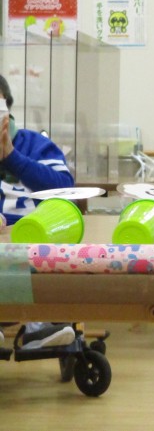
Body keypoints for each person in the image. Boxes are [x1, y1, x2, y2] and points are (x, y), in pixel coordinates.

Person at [0, 74, 76, 351]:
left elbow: (64, 188)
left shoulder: (36, 145)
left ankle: (39, 327)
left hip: (36, 240)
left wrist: (12, 156)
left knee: (39, 252)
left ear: (7, 110)